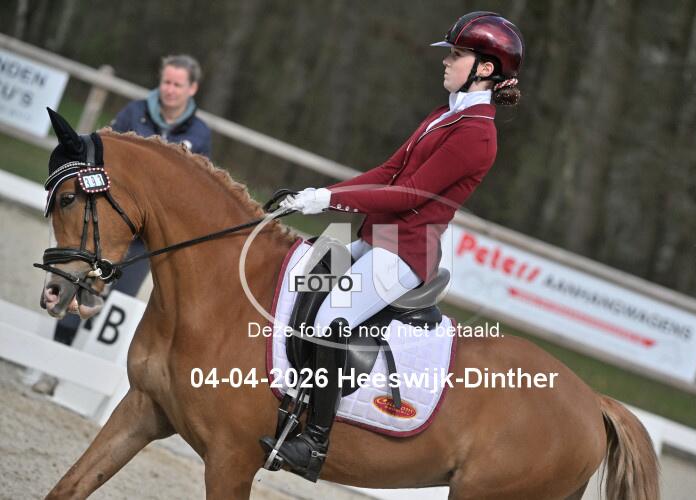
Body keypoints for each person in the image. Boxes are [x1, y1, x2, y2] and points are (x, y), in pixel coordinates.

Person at [260, 11, 524, 482]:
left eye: (457, 55)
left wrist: (328, 201)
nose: (446, 62)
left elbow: (409, 195)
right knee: (304, 277)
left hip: (405, 251)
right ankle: (286, 399)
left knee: (332, 320)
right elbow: (387, 173)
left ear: (485, 68)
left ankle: (314, 442)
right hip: (374, 235)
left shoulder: (477, 134)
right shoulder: (444, 114)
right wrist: (317, 195)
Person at [47, 55, 211, 362]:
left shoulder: (200, 135)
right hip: (110, 223)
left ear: (192, 89)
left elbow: (192, 189)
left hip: (145, 238)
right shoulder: (134, 113)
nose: (170, 89)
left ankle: (85, 367)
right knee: (83, 284)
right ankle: (53, 359)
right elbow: (101, 154)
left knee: (119, 300)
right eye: (166, 81)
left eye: (177, 84)